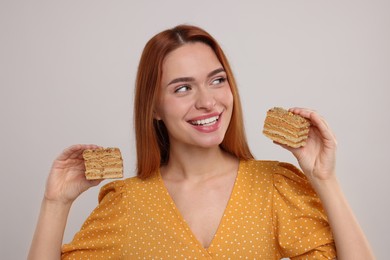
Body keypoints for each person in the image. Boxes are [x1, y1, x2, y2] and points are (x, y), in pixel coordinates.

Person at [28, 24, 374, 259]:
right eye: (182, 88)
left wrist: (324, 179)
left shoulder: (275, 186)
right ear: (154, 107)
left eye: (217, 80)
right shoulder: (126, 203)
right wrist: (55, 202)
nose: (208, 101)